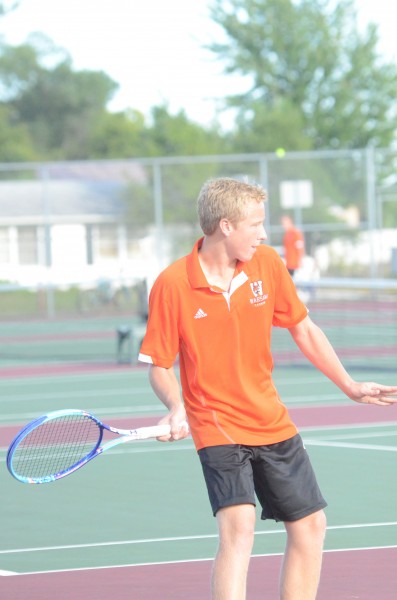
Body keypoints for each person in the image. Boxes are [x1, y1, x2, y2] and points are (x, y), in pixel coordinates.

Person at [138, 177, 397, 600]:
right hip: (216, 423)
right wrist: (175, 406)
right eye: (255, 224)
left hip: (270, 417)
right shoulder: (173, 284)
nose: (263, 233)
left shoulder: (267, 265)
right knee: (239, 527)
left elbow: (303, 329)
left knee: (310, 526)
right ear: (225, 226)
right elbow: (160, 366)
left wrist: (349, 385)